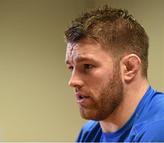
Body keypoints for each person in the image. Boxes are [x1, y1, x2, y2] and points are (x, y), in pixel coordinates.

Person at [64, 5, 164, 142]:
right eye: (71, 67)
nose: (73, 81)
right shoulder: (89, 133)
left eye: (87, 66)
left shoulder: (158, 128)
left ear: (129, 68)